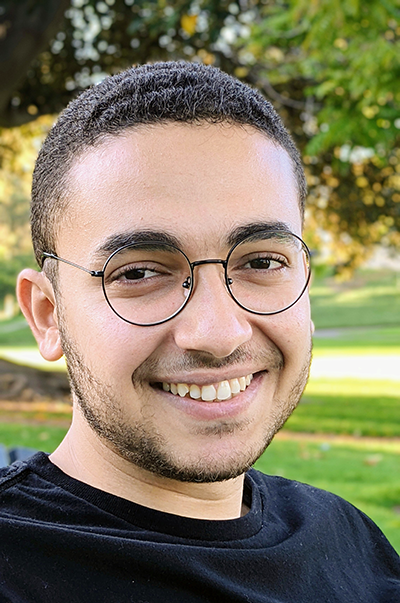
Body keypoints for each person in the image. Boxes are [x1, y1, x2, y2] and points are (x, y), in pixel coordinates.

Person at [0, 61, 398, 602]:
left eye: (261, 261)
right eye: (138, 272)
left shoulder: (350, 543)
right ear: (48, 315)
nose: (219, 333)